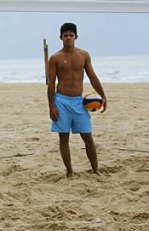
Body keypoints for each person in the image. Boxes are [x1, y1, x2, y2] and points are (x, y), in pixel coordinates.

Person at [47, 23, 107, 177]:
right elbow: (51, 83)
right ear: (61, 37)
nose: (68, 38)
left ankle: (95, 170)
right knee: (64, 137)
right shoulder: (55, 58)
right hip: (61, 101)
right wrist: (51, 105)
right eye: (65, 35)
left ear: (76, 37)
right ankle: (69, 172)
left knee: (87, 136)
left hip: (78, 101)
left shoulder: (83, 55)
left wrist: (103, 96)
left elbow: (92, 77)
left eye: (71, 35)